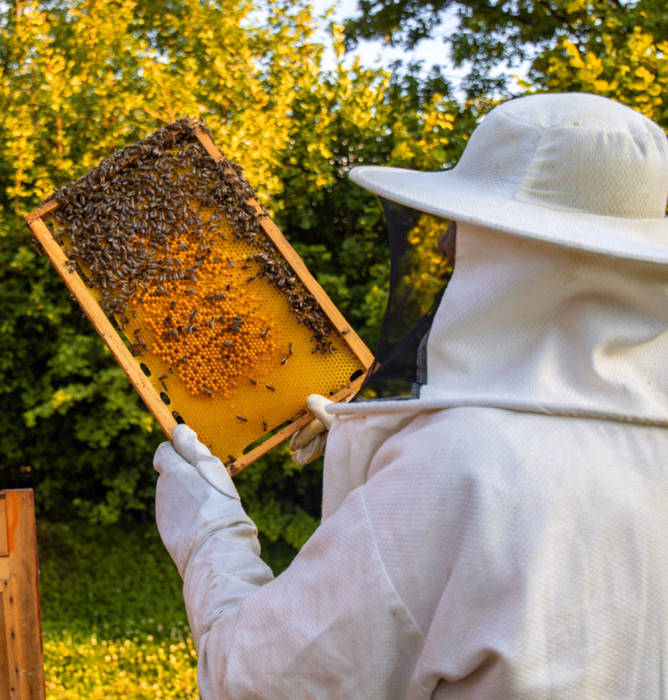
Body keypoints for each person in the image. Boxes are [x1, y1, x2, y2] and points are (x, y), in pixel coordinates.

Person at [154, 92, 668, 698]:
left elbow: (252, 680)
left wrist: (210, 530)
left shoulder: (457, 469)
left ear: (514, 250)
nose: (446, 246)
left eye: (463, 225)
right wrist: (365, 437)